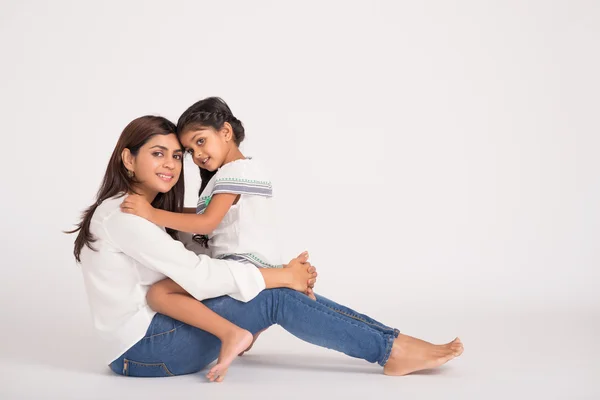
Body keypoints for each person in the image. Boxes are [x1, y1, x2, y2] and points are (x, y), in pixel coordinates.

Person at [69, 114, 463, 382]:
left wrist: (279, 275)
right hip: (144, 351)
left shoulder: (138, 211)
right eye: (158, 153)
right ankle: (392, 350)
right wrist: (280, 277)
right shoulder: (123, 215)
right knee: (275, 296)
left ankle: (392, 344)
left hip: (147, 344)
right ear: (128, 158)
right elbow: (199, 276)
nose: (172, 164)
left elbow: (196, 259)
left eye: (177, 155)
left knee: (272, 288)